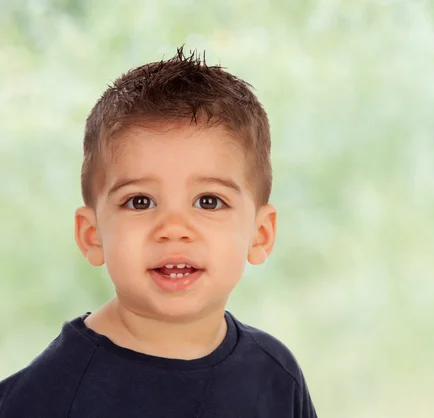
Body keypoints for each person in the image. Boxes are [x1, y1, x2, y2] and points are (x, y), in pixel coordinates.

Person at [0, 47, 317, 418]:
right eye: (140, 202)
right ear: (92, 235)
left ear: (260, 234)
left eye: (209, 201)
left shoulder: (276, 375)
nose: (173, 230)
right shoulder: (44, 399)